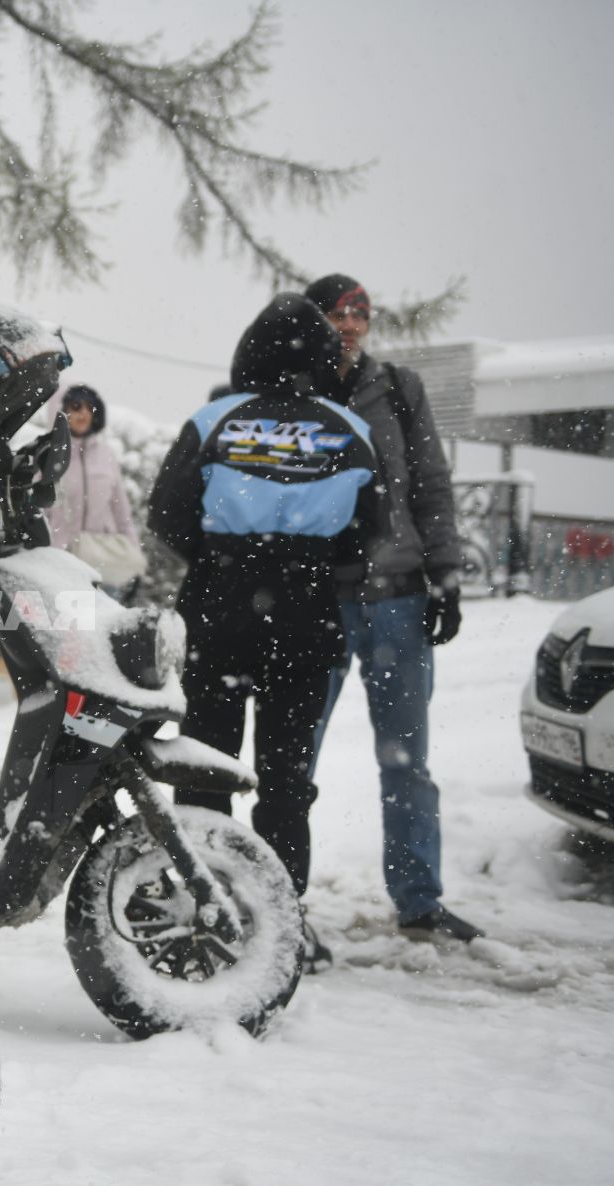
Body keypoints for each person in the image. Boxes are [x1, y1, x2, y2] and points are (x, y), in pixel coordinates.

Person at [148, 293, 382, 973]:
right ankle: (284, 923)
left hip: (220, 609)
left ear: (248, 351)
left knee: (203, 767)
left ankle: (204, 912)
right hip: (306, 613)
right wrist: (304, 560)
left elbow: (167, 516)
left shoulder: (213, 419)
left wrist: (226, 557)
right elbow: (370, 534)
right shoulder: (347, 428)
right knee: (285, 779)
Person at [303, 272, 483, 945]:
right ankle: (279, 902)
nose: (350, 326)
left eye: (360, 315)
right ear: (313, 321)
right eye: (337, 314)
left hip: (400, 601)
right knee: (294, 766)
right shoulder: (293, 390)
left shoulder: (400, 390)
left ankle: (419, 902)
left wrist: (447, 576)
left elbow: (431, 486)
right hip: (318, 603)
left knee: (407, 764)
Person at [46, 384, 145, 598]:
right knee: (66, 628)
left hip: (102, 565)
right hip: (59, 563)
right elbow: (38, 508)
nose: (83, 413)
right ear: (63, 411)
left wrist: (134, 558)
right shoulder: (48, 455)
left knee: (101, 628)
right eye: (76, 406)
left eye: (89, 408)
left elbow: (122, 513)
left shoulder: (105, 455)